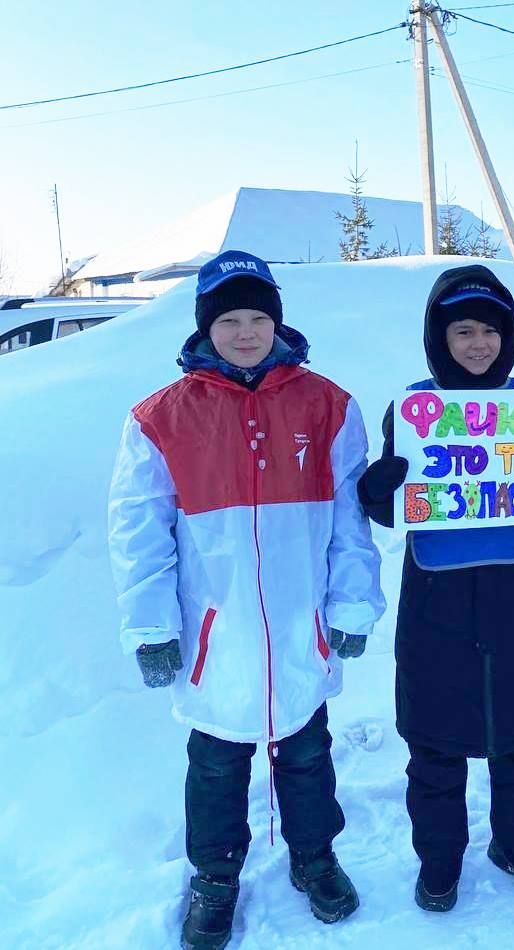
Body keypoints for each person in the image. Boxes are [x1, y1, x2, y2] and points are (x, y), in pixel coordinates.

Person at [108, 250, 385, 950]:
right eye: (228, 319)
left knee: (307, 754)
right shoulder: (159, 418)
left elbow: (350, 522)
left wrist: (352, 606)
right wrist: (152, 628)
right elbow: (139, 533)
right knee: (216, 763)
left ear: (277, 322)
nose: (244, 332)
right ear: (205, 327)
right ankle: (215, 876)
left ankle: (314, 859)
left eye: (258, 317)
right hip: (216, 634)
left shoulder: (329, 406)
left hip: (301, 625)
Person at [356, 264, 514, 913]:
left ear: (508, 337)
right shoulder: (415, 406)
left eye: (490, 332)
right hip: (437, 597)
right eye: (463, 331)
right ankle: (439, 858)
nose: (477, 344)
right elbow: (399, 508)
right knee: (435, 743)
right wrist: (378, 494)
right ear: (439, 337)